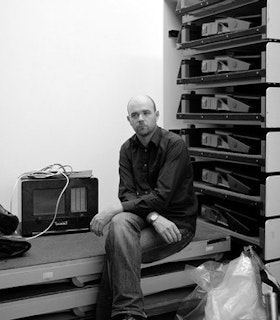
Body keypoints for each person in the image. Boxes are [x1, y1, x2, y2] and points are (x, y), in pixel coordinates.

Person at [90, 95, 198, 320]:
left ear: (156, 116)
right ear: (128, 120)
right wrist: (153, 217)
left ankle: (116, 314)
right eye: (135, 115)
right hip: (151, 218)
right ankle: (130, 314)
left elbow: (163, 196)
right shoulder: (127, 149)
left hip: (177, 225)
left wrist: (112, 210)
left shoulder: (175, 145)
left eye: (146, 113)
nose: (141, 119)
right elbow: (127, 194)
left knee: (118, 243)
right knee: (121, 223)